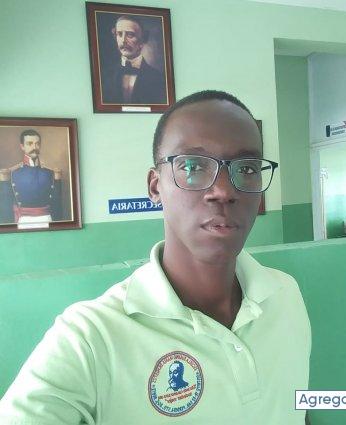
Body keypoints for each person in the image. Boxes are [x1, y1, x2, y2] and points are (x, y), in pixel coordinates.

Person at [0, 90, 311, 424]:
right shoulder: (91, 338)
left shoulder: (286, 294)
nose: (223, 190)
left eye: (247, 168)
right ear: (155, 187)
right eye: (192, 166)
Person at [0, 129, 62, 228]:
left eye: (37, 144)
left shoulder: (50, 172)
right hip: (22, 222)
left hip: (47, 221)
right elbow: (5, 207)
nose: (34, 147)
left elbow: (57, 205)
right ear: (22, 146)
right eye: (30, 144)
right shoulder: (11, 173)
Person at [101, 15, 167, 105]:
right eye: (119, 34)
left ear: (142, 40)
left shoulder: (158, 78)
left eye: (130, 35)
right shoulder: (104, 75)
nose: (123, 40)